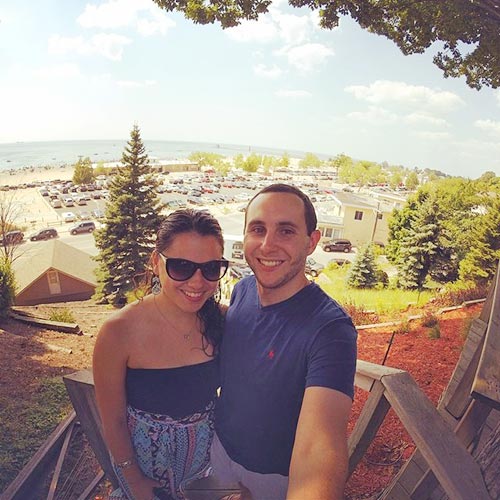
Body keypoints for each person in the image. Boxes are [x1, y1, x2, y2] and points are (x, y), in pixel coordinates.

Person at [212, 184, 358, 499]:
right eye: (258, 229)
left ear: (312, 241)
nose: (267, 245)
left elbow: (320, 445)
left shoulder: (331, 330)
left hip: (275, 480)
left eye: (286, 231)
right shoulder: (243, 290)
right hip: (219, 453)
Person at [93, 209, 229, 500]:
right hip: (146, 474)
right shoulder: (118, 332)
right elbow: (113, 420)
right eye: (181, 267)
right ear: (156, 262)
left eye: (210, 268)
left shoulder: (223, 321)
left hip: (206, 471)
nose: (197, 281)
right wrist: (135, 481)